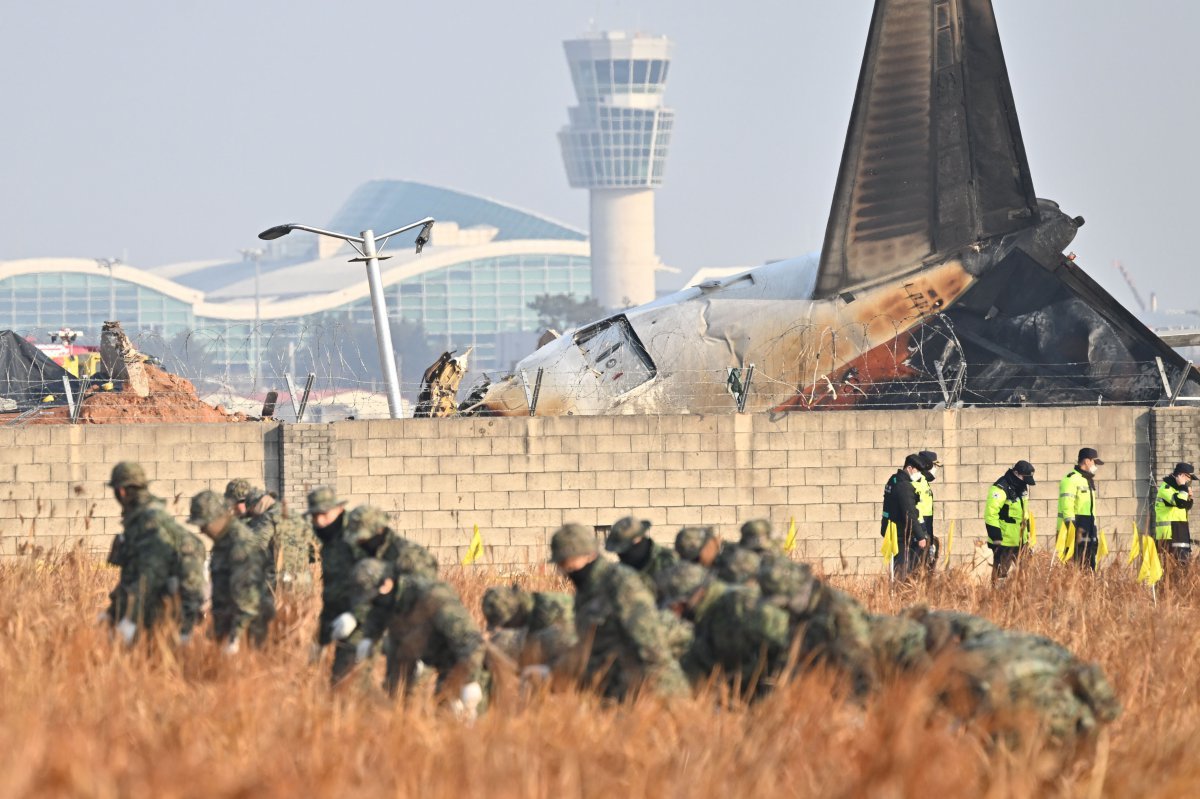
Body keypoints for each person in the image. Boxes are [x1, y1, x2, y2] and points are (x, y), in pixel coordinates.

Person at [548, 523, 689, 700]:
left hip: (649, 692)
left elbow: (651, 645)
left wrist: (655, 698)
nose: (563, 571)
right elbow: (590, 647)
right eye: (560, 564)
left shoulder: (619, 583)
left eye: (567, 563)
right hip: (614, 691)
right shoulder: (586, 592)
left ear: (589, 555)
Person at [352, 559, 487, 717]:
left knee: (453, 720)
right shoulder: (388, 602)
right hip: (424, 660)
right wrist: (367, 639)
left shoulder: (433, 596)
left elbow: (468, 639)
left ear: (387, 585)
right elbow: (376, 621)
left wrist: (470, 681)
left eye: (373, 598)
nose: (372, 604)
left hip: (464, 668)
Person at [103, 461, 205, 646]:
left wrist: (129, 620)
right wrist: (113, 611)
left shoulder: (149, 521)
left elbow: (149, 576)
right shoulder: (139, 519)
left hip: (160, 612)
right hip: (154, 608)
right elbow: (133, 574)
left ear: (122, 491)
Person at [657, 562, 791, 698]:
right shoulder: (709, 616)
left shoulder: (738, 605)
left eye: (679, 606)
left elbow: (786, 639)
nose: (677, 613)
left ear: (698, 594)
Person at [188, 489, 275, 651]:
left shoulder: (240, 544)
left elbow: (248, 601)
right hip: (227, 629)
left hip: (247, 635)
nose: (201, 531)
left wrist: (235, 639)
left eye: (204, 524)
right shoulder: (223, 542)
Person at [305, 486, 357, 682]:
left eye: (324, 514)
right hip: (345, 626)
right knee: (340, 683)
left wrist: (356, 615)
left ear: (339, 510)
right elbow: (333, 595)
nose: (319, 521)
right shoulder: (329, 545)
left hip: (373, 624)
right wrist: (320, 639)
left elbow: (384, 583)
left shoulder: (358, 536)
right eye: (315, 516)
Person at [246, 487, 313, 590]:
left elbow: (257, 547)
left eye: (251, 511)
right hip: (304, 578)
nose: (253, 515)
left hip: (282, 580)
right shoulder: (295, 515)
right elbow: (312, 545)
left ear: (257, 504)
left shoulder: (269, 517)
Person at [880, 454, 931, 579]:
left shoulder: (893, 479)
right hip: (900, 533)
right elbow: (910, 513)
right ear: (909, 468)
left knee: (897, 567)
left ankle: (896, 592)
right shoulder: (905, 486)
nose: (919, 475)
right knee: (901, 570)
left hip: (890, 530)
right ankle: (899, 594)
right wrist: (920, 536)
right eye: (918, 471)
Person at [985, 460, 1036, 582]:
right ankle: (997, 598)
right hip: (1004, 541)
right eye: (1025, 478)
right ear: (1016, 473)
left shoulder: (1022, 487)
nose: (1026, 482)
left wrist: (1028, 534)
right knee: (1000, 576)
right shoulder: (1000, 488)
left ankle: (1020, 598)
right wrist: (996, 538)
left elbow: (1024, 513)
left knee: (1026, 574)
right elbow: (990, 514)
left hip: (1020, 540)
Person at [605, 516, 677, 599]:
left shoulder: (669, 561)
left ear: (638, 539)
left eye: (624, 550)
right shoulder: (616, 574)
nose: (621, 555)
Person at [1058, 448, 1103, 570]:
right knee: (1075, 566)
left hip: (1089, 527)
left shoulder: (1087, 480)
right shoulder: (1071, 479)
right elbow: (1067, 506)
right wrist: (1071, 529)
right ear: (1087, 461)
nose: (1095, 466)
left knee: (1089, 565)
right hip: (1076, 528)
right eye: (1094, 462)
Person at [1155, 462, 1196, 568]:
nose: (1189, 481)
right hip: (1169, 535)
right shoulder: (1166, 488)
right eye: (1189, 478)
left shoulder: (1179, 489)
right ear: (1181, 475)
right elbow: (1180, 503)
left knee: (1183, 568)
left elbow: (1186, 506)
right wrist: (1183, 487)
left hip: (1180, 532)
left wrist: (1190, 497)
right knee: (1170, 570)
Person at [914, 450, 941, 571]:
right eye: (934, 466)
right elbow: (915, 509)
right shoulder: (917, 482)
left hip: (926, 528)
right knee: (916, 566)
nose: (935, 469)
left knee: (925, 567)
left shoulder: (924, 482)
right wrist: (923, 533)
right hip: (919, 530)